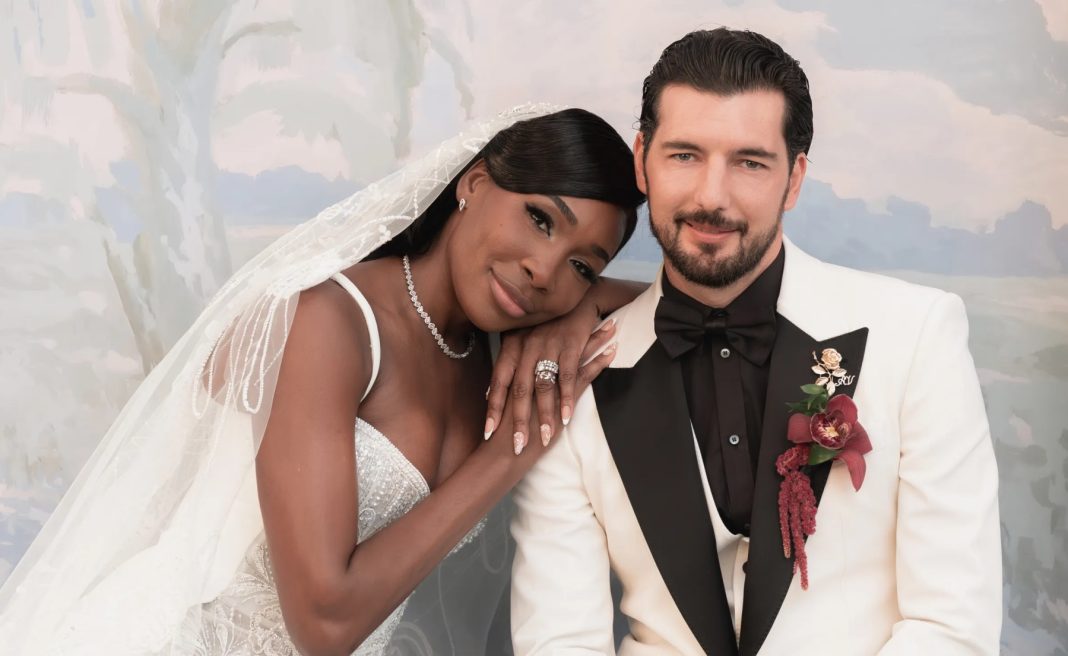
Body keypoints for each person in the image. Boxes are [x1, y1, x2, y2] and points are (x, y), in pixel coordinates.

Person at [0, 105, 645, 655]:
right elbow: (323, 622)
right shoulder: (329, 321)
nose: (543, 271)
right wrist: (508, 453)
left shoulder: (491, 347)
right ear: (474, 183)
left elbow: (670, 304)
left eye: (581, 266)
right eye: (539, 219)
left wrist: (583, 309)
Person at [510, 28, 1002, 655]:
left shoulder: (919, 334)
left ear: (794, 179)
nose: (711, 197)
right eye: (684, 155)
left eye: (749, 162)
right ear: (641, 160)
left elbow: (951, 627)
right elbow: (558, 641)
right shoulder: (573, 377)